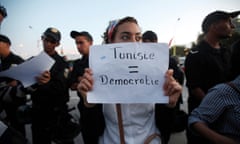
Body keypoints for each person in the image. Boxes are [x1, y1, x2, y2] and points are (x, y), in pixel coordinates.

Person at [77, 16, 182, 144]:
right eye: (125, 37)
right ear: (111, 43)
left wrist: (170, 105)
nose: (134, 43)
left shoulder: (155, 75)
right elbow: (90, 131)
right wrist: (89, 106)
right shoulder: (96, 79)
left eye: (138, 38)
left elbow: (165, 126)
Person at [184, 10, 240, 144]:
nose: (232, 26)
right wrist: (218, 106)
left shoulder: (227, 52)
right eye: (228, 22)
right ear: (213, 26)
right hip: (204, 125)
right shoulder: (195, 55)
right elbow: (195, 88)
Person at [30, 27, 73, 144]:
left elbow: (62, 87)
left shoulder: (62, 64)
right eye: (46, 39)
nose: (48, 43)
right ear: (42, 39)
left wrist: (47, 83)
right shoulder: (32, 62)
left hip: (57, 113)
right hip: (38, 113)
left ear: (57, 44)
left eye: (52, 41)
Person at [142, 30, 185, 144]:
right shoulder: (140, 60)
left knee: (164, 130)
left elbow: (177, 79)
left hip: (165, 100)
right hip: (154, 103)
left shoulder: (167, 59)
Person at [68, 31, 104, 144]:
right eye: (76, 43)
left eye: (81, 43)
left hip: (103, 109)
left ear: (91, 43)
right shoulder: (78, 64)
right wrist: (81, 83)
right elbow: (71, 85)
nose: (78, 46)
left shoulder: (103, 60)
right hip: (86, 109)